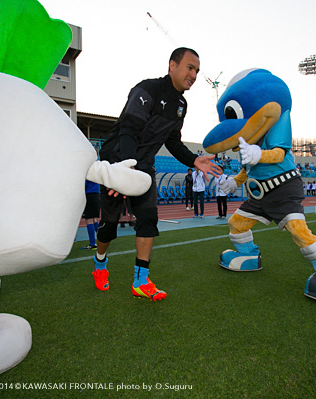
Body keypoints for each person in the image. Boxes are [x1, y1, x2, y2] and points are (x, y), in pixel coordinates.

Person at [92, 47, 220, 301]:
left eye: (196, 70)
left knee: (148, 219)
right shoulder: (147, 89)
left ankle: (140, 280)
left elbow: (173, 142)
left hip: (144, 169)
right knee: (109, 225)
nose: (193, 75)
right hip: (118, 163)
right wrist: (124, 171)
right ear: (172, 65)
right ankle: (99, 263)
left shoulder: (181, 105)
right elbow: (128, 130)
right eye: (189, 67)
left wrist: (194, 160)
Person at [81, 179, 100, 249]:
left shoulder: (88, 173)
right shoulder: (96, 172)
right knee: (94, 219)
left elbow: (84, 186)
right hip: (96, 195)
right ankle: (102, 239)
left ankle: (92, 243)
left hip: (90, 195)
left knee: (88, 219)